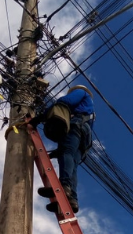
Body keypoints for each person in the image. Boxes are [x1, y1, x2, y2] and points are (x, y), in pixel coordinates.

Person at [38, 86, 95, 215]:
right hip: (85, 139)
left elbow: (66, 101)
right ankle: (72, 199)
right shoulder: (89, 109)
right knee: (73, 164)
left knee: (66, 153)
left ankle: (63, 187)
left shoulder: (81, 93)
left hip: (77, 125)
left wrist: (44, 114)